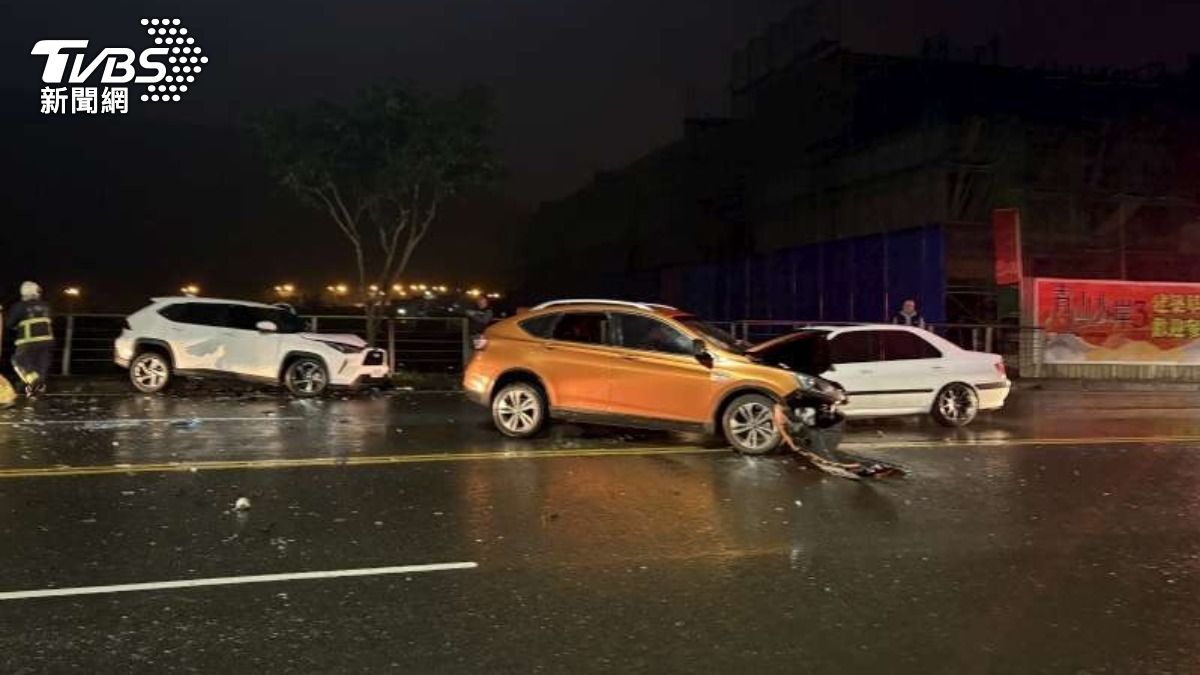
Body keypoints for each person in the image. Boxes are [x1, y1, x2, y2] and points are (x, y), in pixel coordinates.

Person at [6, 281, 55, 398]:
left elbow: (10, 323)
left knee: (19, 361)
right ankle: (37, 390)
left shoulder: (20, 306)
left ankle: (34, 382)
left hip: (27, 342)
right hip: (47, 342)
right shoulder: (46, 305)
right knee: (40, 366)